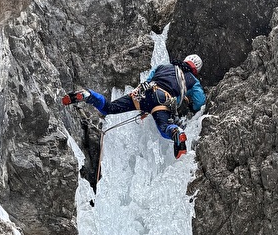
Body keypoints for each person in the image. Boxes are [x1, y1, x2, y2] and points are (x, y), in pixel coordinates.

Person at [62, 54, 206, 158]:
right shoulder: (192, 80)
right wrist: (188, 100)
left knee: (109, 108)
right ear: (196, 69)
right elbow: (200, 100)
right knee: (164, 129)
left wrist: (146, 106)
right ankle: (176, 132)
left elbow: (150, 79)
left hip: (143, 93)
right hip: (162, 100)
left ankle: (88, 95)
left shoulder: (164, 66)